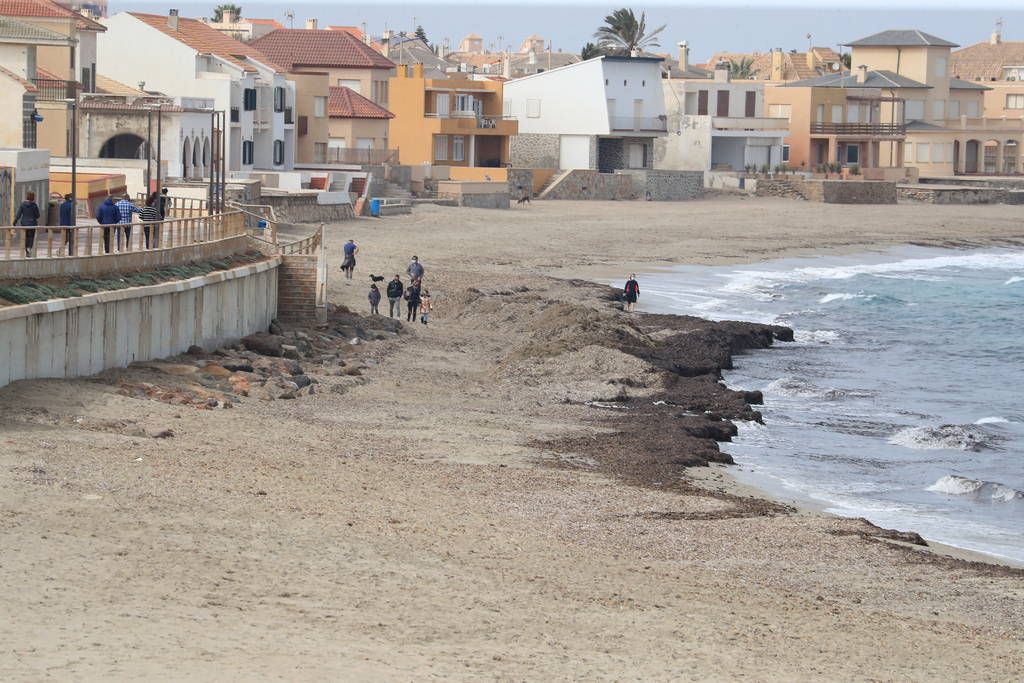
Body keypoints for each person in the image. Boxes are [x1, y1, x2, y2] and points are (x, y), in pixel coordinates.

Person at [14, 191, 41, 258]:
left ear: (27, 196)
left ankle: (25, 249)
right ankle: (29, 248)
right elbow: (38, 215)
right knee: (31, 237)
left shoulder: (22, 204)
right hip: (32, 223)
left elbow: (18, 214)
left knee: (25, 237)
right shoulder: (34, 205)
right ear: (33, 197)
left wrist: (14, 222)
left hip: (24, 223)